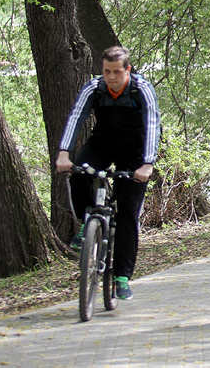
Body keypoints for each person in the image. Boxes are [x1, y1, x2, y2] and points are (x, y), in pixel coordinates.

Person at [56, 46, 160, 301]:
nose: (111, 77)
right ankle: (86, 224)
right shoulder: (94, 87)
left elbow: (152, 124)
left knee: (127, 212)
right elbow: (76, 117)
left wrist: (147, 164)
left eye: (116, 71)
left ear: (127, 70)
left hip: (135, 151)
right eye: (106, 71)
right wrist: (64, 153)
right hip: (102, 144)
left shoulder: (140, 89)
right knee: (79, 175)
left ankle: (122, 277)